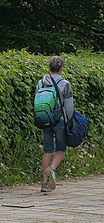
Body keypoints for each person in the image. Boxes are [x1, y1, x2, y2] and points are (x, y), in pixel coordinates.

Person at [37, 56, 74, 193]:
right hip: (59, 121)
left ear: (49, 68)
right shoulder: (65, 84)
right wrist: (69, 122)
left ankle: (44, 184)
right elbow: (69, 108)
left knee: (47, 150)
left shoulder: (41, 83)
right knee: (61, 149)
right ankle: (51, 169)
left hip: (44, 119)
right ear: (61, 68)